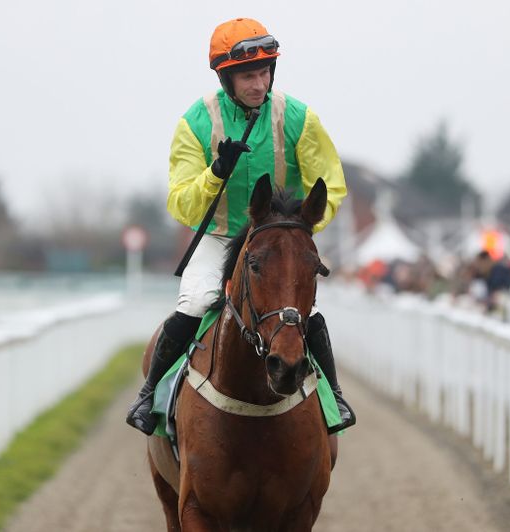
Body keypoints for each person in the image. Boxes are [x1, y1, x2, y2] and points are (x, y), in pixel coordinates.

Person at [126, 17, 354, 435]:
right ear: (226, 78)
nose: (259, 84)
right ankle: (149, 394)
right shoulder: (195, 123)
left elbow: (331, 186)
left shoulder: (299, 117)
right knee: (196, 301)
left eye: (264, 72)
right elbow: (181, 203)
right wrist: (216, 172)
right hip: (217, 236)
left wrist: (298, 228)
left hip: (277, 238)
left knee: (305, 312)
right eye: (248, 76)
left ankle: (334, 395)